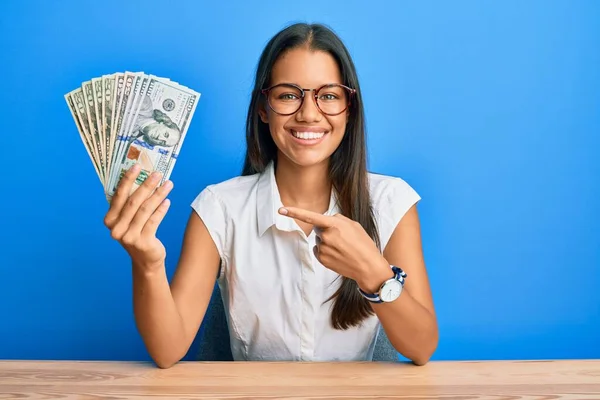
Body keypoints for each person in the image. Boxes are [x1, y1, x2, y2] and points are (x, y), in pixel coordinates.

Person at [103, 22, 438, 368]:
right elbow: (166, 350)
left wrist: (374, 273)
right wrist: (147, 264)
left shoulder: (389, 202)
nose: (309, 113)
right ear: (263, 109)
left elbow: (422, 347)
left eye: (328, 96)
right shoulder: (219, 208)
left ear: (349, 110)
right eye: (289, 95)